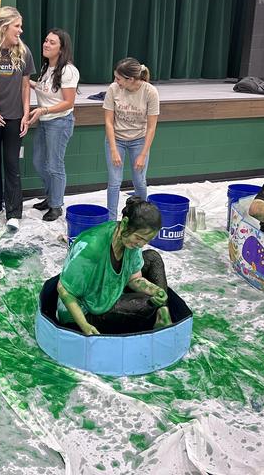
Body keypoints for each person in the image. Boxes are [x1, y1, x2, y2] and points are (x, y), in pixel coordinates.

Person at [56, 197, 172, 335]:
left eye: (146, 240)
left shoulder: (129, 239)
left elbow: (133, 278)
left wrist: (155, 290)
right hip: (82, 312)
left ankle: (163, 312)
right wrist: (84, 326)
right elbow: (63, 289)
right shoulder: (92, 246)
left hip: (109, 290)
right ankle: (155, 315)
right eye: (139, 238)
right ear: (124, 223)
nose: (141, 244)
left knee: (153, 258)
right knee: (146, 304)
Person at [0, 6, 36, 230]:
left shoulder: (24, 52)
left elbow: (25, 86)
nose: (21, 31)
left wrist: (25, 114)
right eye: (17, 26)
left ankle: (14, 212)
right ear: (4, 27)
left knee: (12, 164)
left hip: (14, 118)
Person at [26, 28, 79, 222]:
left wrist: (44, 110)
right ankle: (51, 197)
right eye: (46, 40)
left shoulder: (68, 71)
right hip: (45, 121)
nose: (46, 44)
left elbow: (68, 102)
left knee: (55, 165)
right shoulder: (46, 67)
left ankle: (56, 205)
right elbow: (43, 89)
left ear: (62, 48)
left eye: (52, 42)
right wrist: (24, 81)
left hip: (59, 122)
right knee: (39, 162)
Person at [103, 57, 160, 220]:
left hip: (139, 140)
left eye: (119, 78)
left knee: (140, 181)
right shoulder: (113, 89)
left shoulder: (150, 92)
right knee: (114, 181)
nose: (116, 81)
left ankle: (141, 217)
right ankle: (111, 221)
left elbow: (151, 127)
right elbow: (108, 122)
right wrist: (113, 149)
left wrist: (143, 154)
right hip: (116, 139)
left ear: (131, 79)